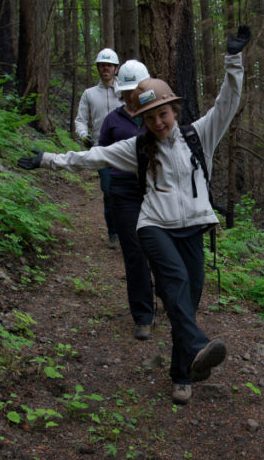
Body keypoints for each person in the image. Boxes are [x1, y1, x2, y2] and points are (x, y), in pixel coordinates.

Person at [18, 25, 251, 405]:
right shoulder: (137, 147)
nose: (158, 122)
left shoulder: (199, 135)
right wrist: (48, 160)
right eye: (150, 118)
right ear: (142, 120)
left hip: (193, 229)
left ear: (173, 109)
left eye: (163, 114)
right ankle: (197, 345)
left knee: (186, 302)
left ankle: (184, 372)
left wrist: (233, 61)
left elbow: (228, 101)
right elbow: (93, 157)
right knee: (174, 282)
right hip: (154, 226)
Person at [98, 60, 155, 341]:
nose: (131, 94)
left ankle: (168, 300)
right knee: (134, 253)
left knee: (159, 249)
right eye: (127, 90)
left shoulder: (155, 117)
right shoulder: (113, 120)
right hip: (123, 191)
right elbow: (101, 153)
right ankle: (143, 315)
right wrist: (108, 182)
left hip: (155, 190)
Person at [74, 47, 123, 249]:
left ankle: (131, 230)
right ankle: (113, 232)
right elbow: (80, 120)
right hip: (101, 149)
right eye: (102, 65)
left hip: (125, 148)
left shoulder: (125, 91)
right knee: (109, 191)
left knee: (130, 190)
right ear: (98, 68)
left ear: (116, 68)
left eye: (109, 65)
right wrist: (83, 135)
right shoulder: (89, 94)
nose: (106, 68)